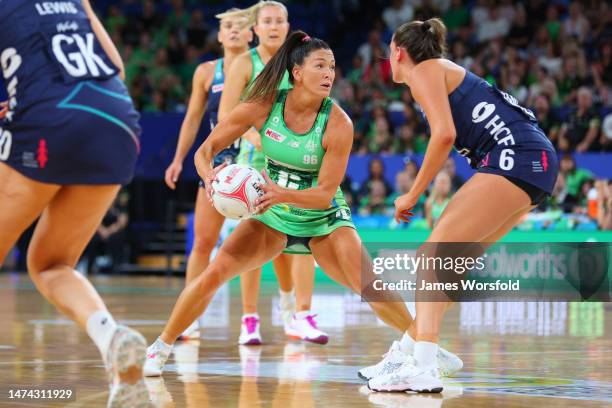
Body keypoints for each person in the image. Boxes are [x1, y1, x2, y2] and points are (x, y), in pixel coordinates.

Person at [143, 31, 462, 379]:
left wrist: (280, 193)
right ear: (297, 72)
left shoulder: (339, 123)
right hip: (273, 212)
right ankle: (160, 347)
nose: (329, 74)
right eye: (320, 66)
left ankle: (424, 346)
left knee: (372, 286)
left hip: (322, 217)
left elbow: (325, 193)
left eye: (333, 67)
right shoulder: (265, 104)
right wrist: (210, 178)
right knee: (213, 275)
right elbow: (206, 150)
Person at [366, 18, 559, 393]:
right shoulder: (440, 70)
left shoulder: (424, 70)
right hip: (536, 163)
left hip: (515, 157)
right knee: (452, 266)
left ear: (398, 52)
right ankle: (413, 352)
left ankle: (422, 365)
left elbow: (444, 135)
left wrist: (413, 193)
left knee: (431, 257)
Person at [0, 1, 148, 406]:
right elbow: (115, 68)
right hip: (117, 121)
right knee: (50, 263)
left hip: (51, 116)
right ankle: (111, 336)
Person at [217, 1, 325, 345]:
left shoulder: (300, 60)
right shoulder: (244, 63)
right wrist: (258, 137)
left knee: (301, 236)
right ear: (256, 28)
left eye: (280, 20)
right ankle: (250, 319)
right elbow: (227, 116)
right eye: (267, 21)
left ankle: (301, 314)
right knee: (256, 243)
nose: (274, 26)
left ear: (288, 24)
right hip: (255, 162)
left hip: (297, 159)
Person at [163, 8, 253, 341]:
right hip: (217, 164)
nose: (232, 31)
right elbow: (191, 119)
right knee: (202, 242)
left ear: (250, 35)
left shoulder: (261, 67)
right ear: (218, 35)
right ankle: (189, 316)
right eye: (227, 26)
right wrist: (178, 159)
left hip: (253, 162)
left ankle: (249, 319)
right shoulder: (205, 72)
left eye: (240, 27)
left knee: (251, 245)